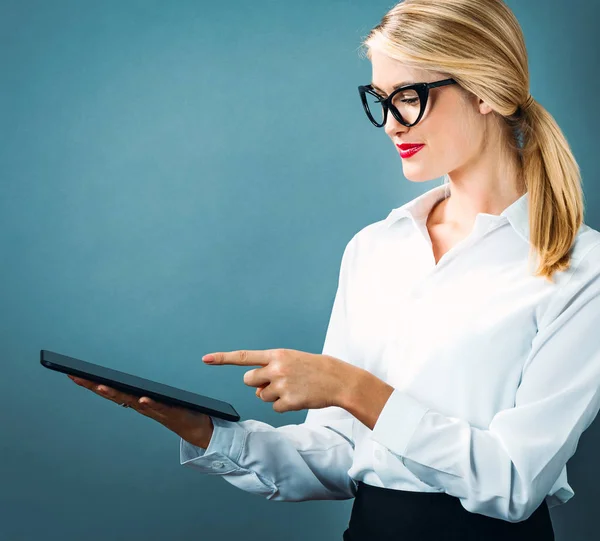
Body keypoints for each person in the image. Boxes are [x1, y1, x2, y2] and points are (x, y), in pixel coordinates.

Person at [69, 0, 600, 539]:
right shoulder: (374, 250)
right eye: (379, 99)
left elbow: (514, 481)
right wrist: (206, 433)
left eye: (409, 97)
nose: (391, 125)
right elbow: (341, 453)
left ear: (486, 90)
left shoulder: (585, 271)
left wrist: (352, 388)